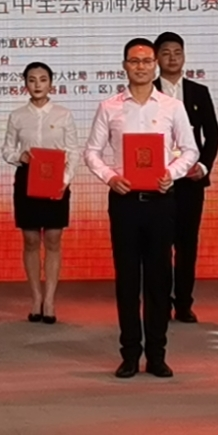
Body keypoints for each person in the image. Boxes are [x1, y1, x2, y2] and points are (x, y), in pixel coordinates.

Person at [85, 38, 199, 379]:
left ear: (155, 65)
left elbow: (190, 150)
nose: (141, 67)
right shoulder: (109, 107)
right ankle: (130, 353)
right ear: (124, 66)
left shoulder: (171, 106)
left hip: (161, 202)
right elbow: (91, 152)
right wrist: (110, 177)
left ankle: (158, 354)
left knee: (159, 280)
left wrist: (171, 174)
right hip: (124, 203)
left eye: (147, 61)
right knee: (127, 279)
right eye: (134, 61)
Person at [1, 62, 76, 324]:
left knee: (53, 239)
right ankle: (35, 298)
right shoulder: (17, 116)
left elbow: (73, 151)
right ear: (25, 84)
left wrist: (65, 181)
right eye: (32, 80)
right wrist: (18, 156)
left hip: (56, 181)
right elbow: (7, 149)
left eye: (43, 79)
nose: (37, 85)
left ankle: (50, 300)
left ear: (51, 84)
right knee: (31, 239)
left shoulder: (63, 115)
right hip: (27, 180)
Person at [153, 32, 218, 324]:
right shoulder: (148, 91)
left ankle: (183, 303)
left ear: (184, 56)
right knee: (158, 245)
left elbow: (213, 134)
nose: (172, 58)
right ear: (156, 58)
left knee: (187, 244)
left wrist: (203, 166)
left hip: (190, 180)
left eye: (177, 52)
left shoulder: (198, 92)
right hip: (158, 181)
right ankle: (160, 303)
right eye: (165, 52)